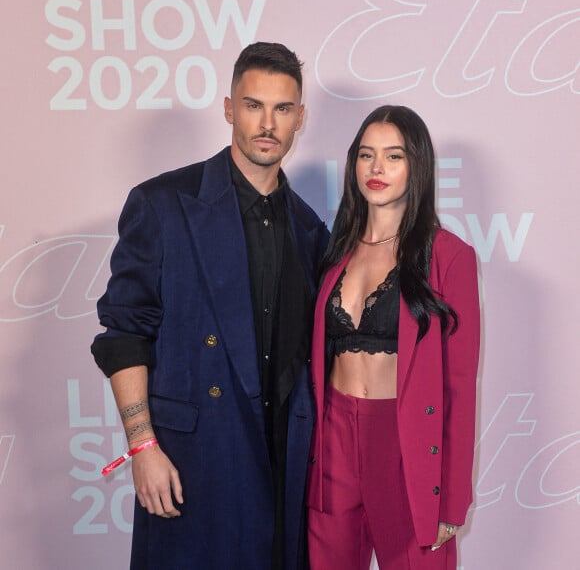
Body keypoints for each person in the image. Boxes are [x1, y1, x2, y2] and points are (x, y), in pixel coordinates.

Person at [91, 42, 329, 570]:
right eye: (253, 105)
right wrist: (142, 448)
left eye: (283, 109)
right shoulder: (163, 204)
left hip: (282, 471)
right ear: (228, 109)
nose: (267, 123)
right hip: (190, 465)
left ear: (299, 120)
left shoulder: (310, 230)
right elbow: (125, 333)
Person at [306, 105, 480, 569]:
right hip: (333, 448)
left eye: (393, 156)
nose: (377, 168)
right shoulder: (332, 249)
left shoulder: (450, 257)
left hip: (405, 450)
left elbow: (459, 387)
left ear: (416, 166)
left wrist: (452, 499)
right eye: (366, 155)